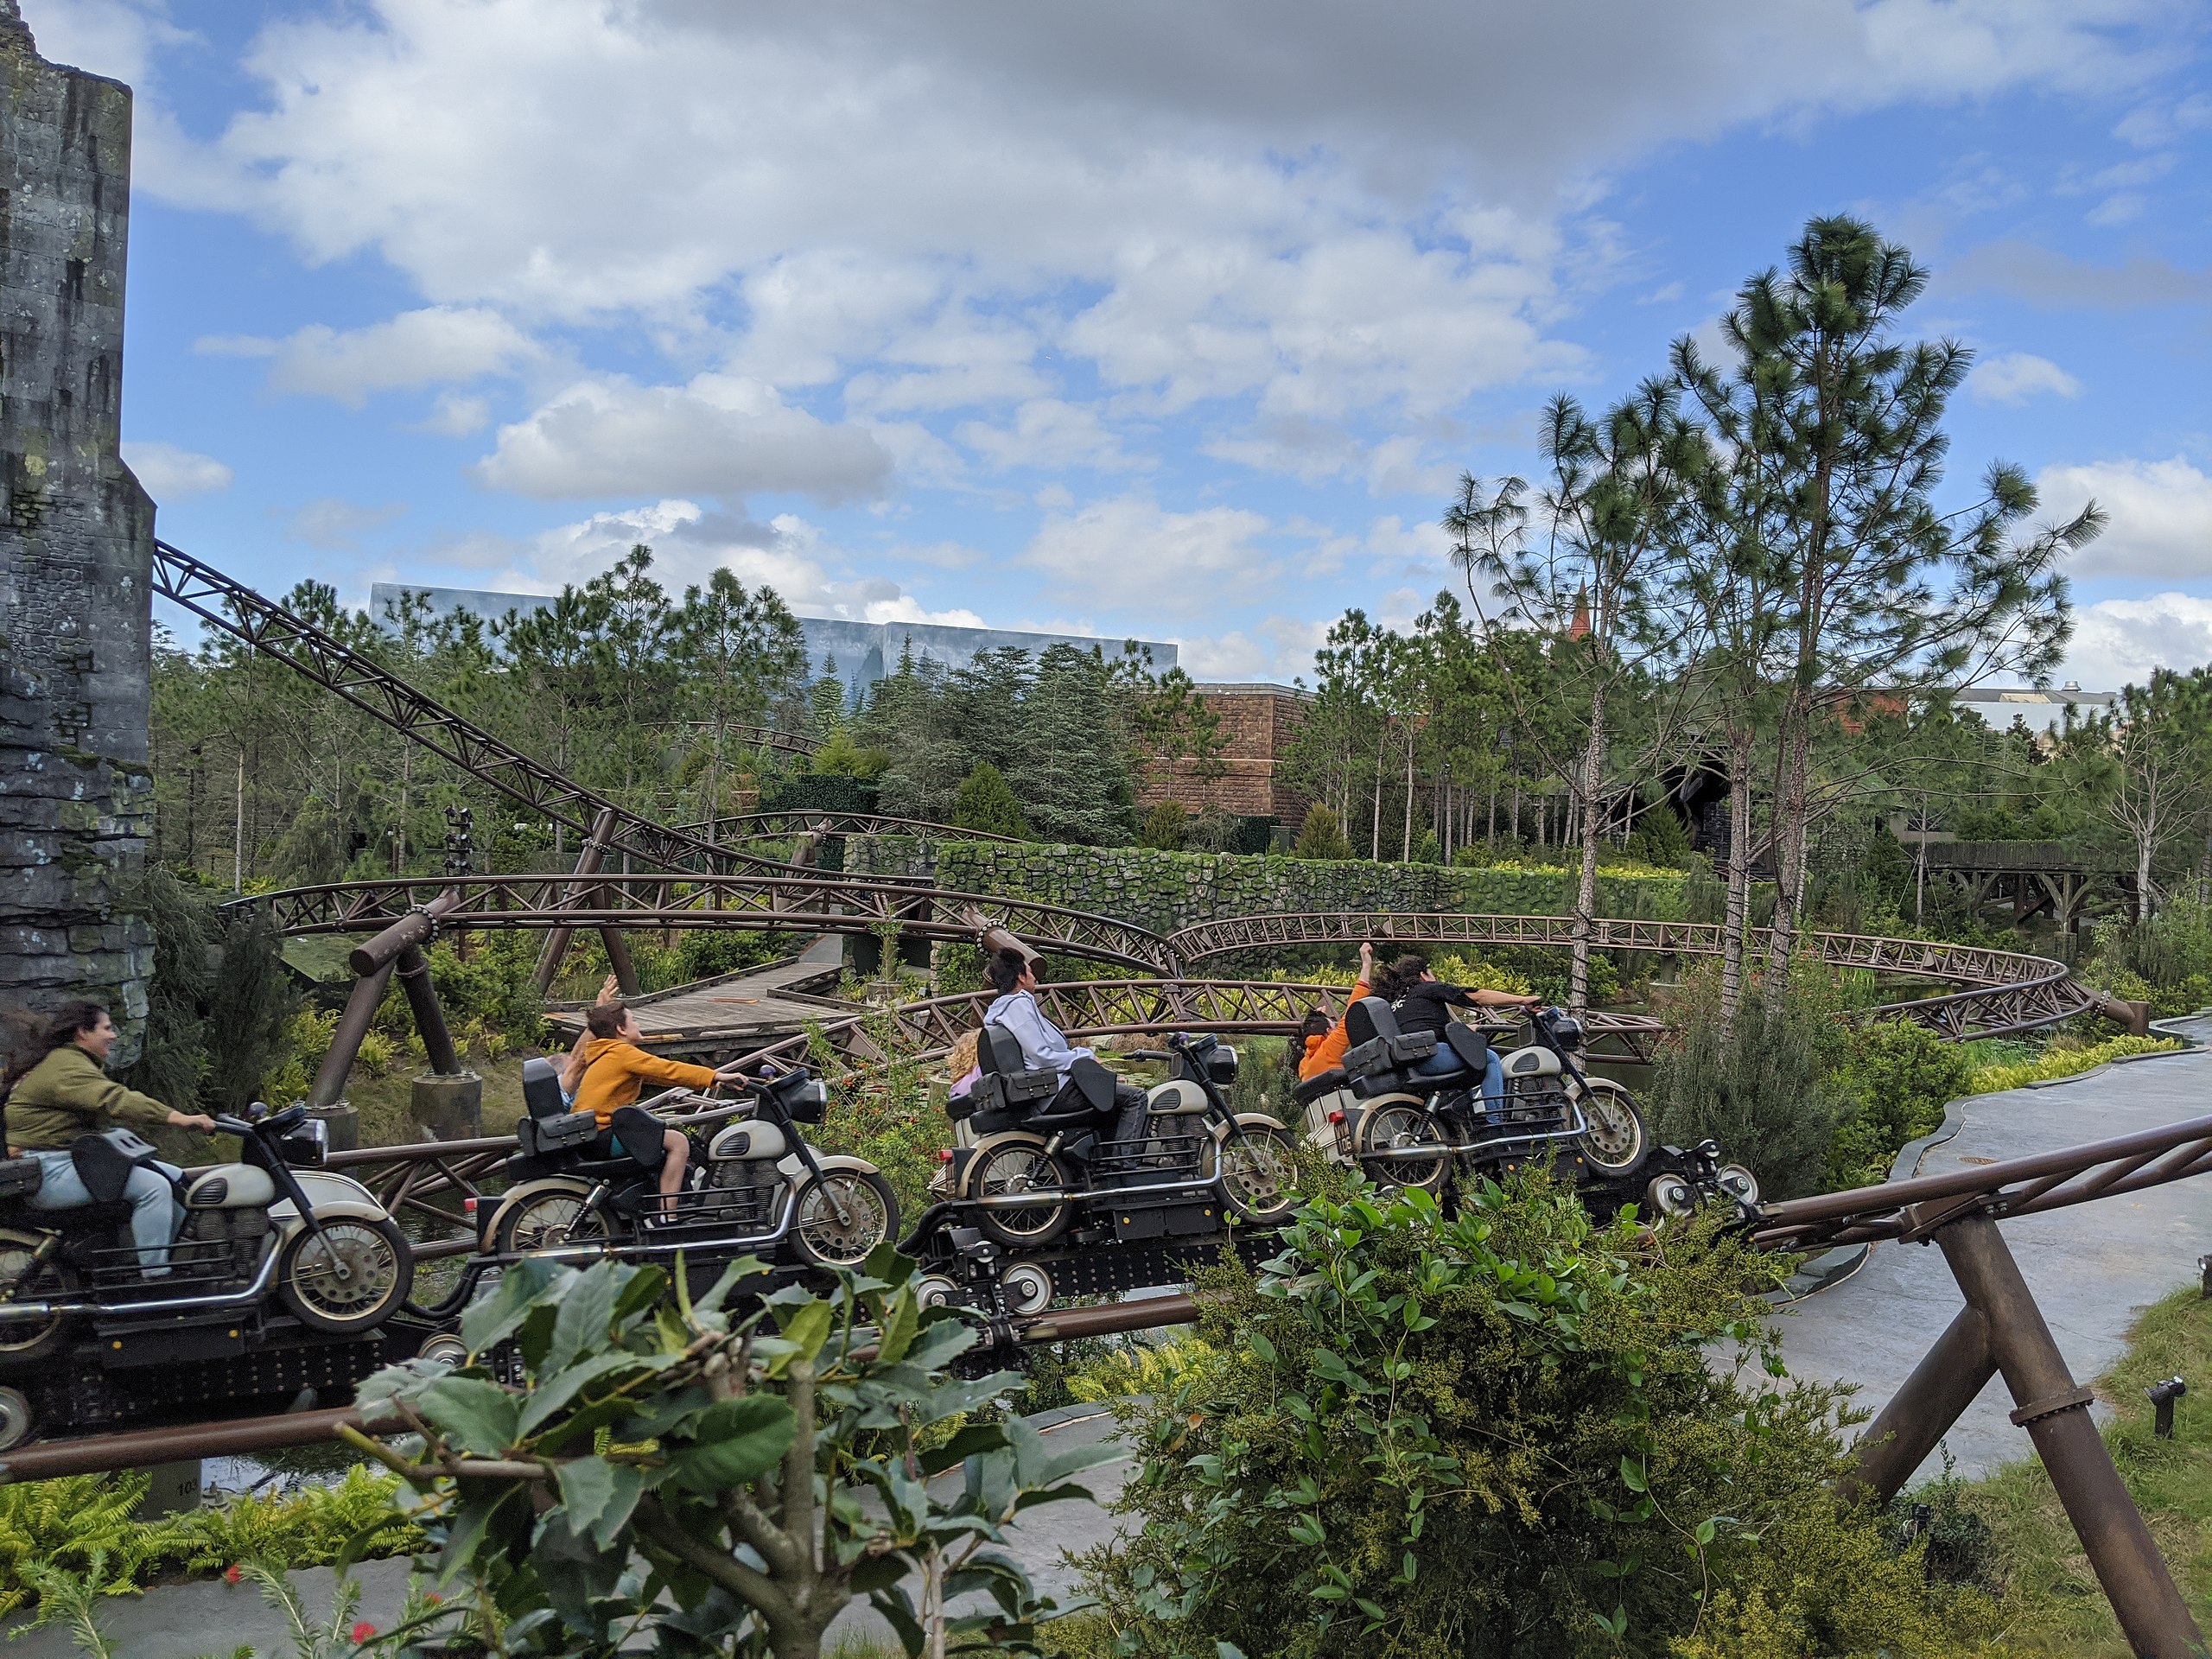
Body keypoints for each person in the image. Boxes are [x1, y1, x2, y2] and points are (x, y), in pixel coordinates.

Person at [0, 1002, 218, 1275]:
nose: (113, 1035)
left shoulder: (68, 1060)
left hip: (63, 1162)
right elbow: (114, 1099)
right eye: (106, 1028)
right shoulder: (65, 1066)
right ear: (83, 1032)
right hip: (48, 1172)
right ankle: (156, 1277)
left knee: (175, 1177)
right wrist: (179, 1118)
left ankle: (159, 1257)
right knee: (154, 1188)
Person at [572, 1001, 753, 1215]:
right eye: (634, 1020)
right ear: (621, 1029)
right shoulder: (621, 1053)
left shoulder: (608, 1054)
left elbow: (658, 1075)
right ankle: (668, 1215)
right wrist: (715, 1075)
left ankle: (659, 1200)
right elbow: (667, 1069)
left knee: (666, 1139)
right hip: (602, 1135)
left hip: (591, 1135)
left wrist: (710, 1081)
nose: (638, 1025)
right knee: (678, 1143)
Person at [981, 948, 1149, 1152]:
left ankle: (1098, 1166)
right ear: (1020, 977)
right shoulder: (1018, 1005)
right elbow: (1042, 1055)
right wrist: (1085, 1056)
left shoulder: (1000, 1010)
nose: (1035, 976)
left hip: (1040, 1090)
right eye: (1030, 971)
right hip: (1053, 1091)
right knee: (1135, 1098)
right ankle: (1125, 1169)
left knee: (1110, 1101)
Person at [1381, 954, 1541, 1113]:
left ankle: (1466, 1119)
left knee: (1469, 1064)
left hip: (1408, 1061)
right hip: (1427, 1057)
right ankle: (1496, 1123)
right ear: (1423, 975)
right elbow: (1476, 997)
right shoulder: (1427, 988)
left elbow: (1432, 1028)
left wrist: (1474, 1028)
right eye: (1431, 972)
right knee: (1489, 1058)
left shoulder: (1399, 1001)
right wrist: (1522, 1000)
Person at [1297, 942, 1376, 1082]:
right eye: (1334, 1025)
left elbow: (1314, 1035)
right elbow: (1351, 1013)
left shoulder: (1304, 1064)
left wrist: (1317, 1019)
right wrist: (1366, 965)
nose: (1337, 1025)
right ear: (1328, 1032)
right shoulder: (1329, 1049)